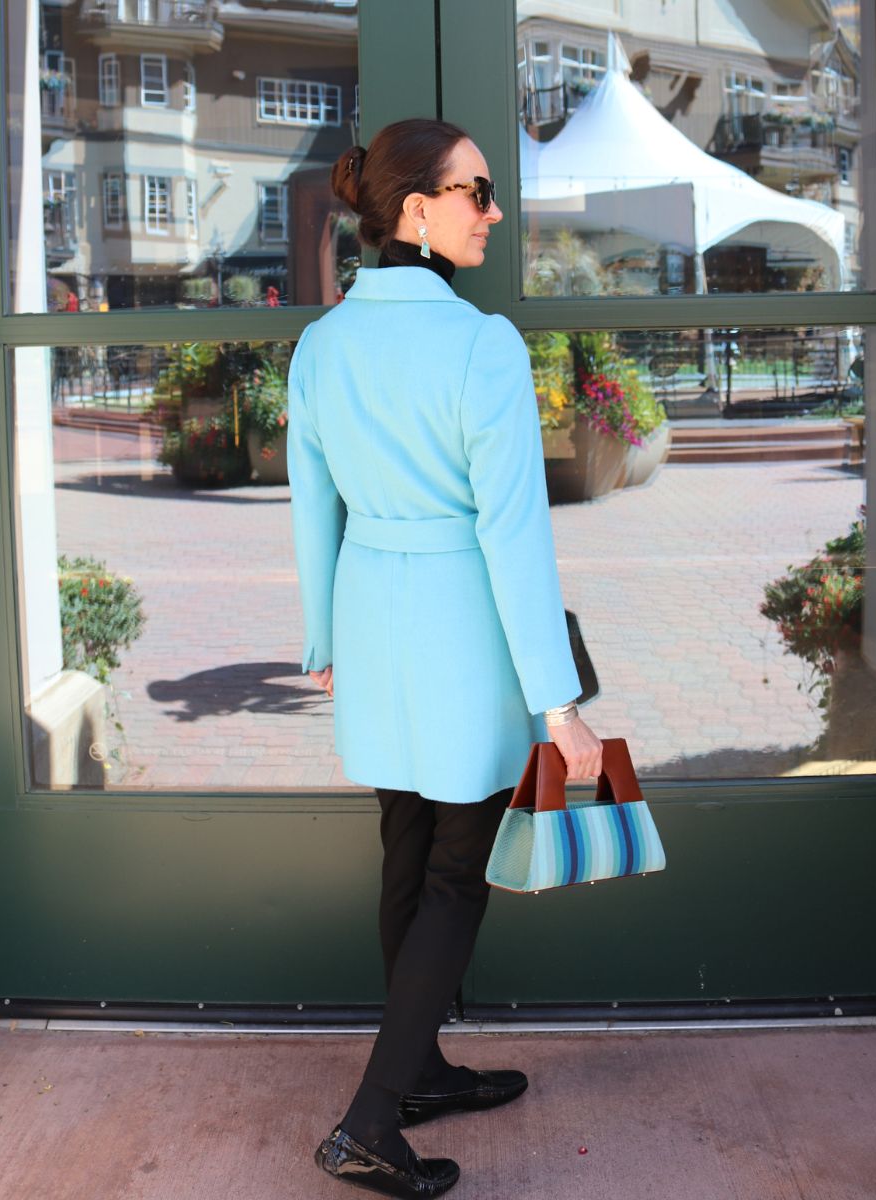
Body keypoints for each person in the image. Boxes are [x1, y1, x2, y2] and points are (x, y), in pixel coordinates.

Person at [287, 118, 604, 1199]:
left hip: (374, 613)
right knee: (457, 874)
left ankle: (414, 1072)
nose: (494, 212)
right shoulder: (482, 344)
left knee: (407, 848)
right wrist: (558, 701)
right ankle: (371, 1123)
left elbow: (311, 506)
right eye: (478, 191)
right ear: (417, 209)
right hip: (462, 623)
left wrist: (325, 636)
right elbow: (512, 532)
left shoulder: (322, 344)